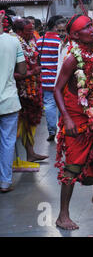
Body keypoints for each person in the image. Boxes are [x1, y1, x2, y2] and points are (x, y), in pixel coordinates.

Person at [54, 14, 93, 230]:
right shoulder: (73, 58)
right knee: (72, 166)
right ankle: (63, 215)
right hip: (76, 116)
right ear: (75, 36)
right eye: (87, 27)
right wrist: (68, 119)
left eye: (92, 25)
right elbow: (56, 90)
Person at [13, 18, 48, 162]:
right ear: (19, 32)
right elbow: (10, 73)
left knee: (29, 122)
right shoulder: (14, 44)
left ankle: (31, 153)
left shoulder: (31, 41)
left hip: (33, 90)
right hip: (18, 92)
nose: (32, 33)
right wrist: (31, 73)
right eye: (28, 31)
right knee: (18, 126)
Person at [0, 11, 26, 193]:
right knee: (8, 142)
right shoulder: (13, 41)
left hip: (9, 101)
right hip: (8, 100)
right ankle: (5, 181)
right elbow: (23, 70)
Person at [37, 15, 63, 141]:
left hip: (46, 80)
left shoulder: (39, 41)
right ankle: (61, 128)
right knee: (61, 104)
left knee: (49, 105)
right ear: (56, 26)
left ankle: (52, 130)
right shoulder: (61, 42)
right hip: (60, 79)